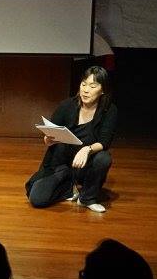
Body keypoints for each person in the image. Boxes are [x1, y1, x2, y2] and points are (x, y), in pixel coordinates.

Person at [25, 65, 116, 212]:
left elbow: (104, 142)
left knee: (104, 158)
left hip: (86, 164)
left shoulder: (109, 110)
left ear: (102, 90)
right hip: (62, 164)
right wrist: (48, 140)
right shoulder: (67, 105)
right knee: (37, 199)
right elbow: (49, 136)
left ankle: (87, 198)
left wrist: (87, 149)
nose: (86, 90)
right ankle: (69, 187)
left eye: (92, 86)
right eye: (83, 84)